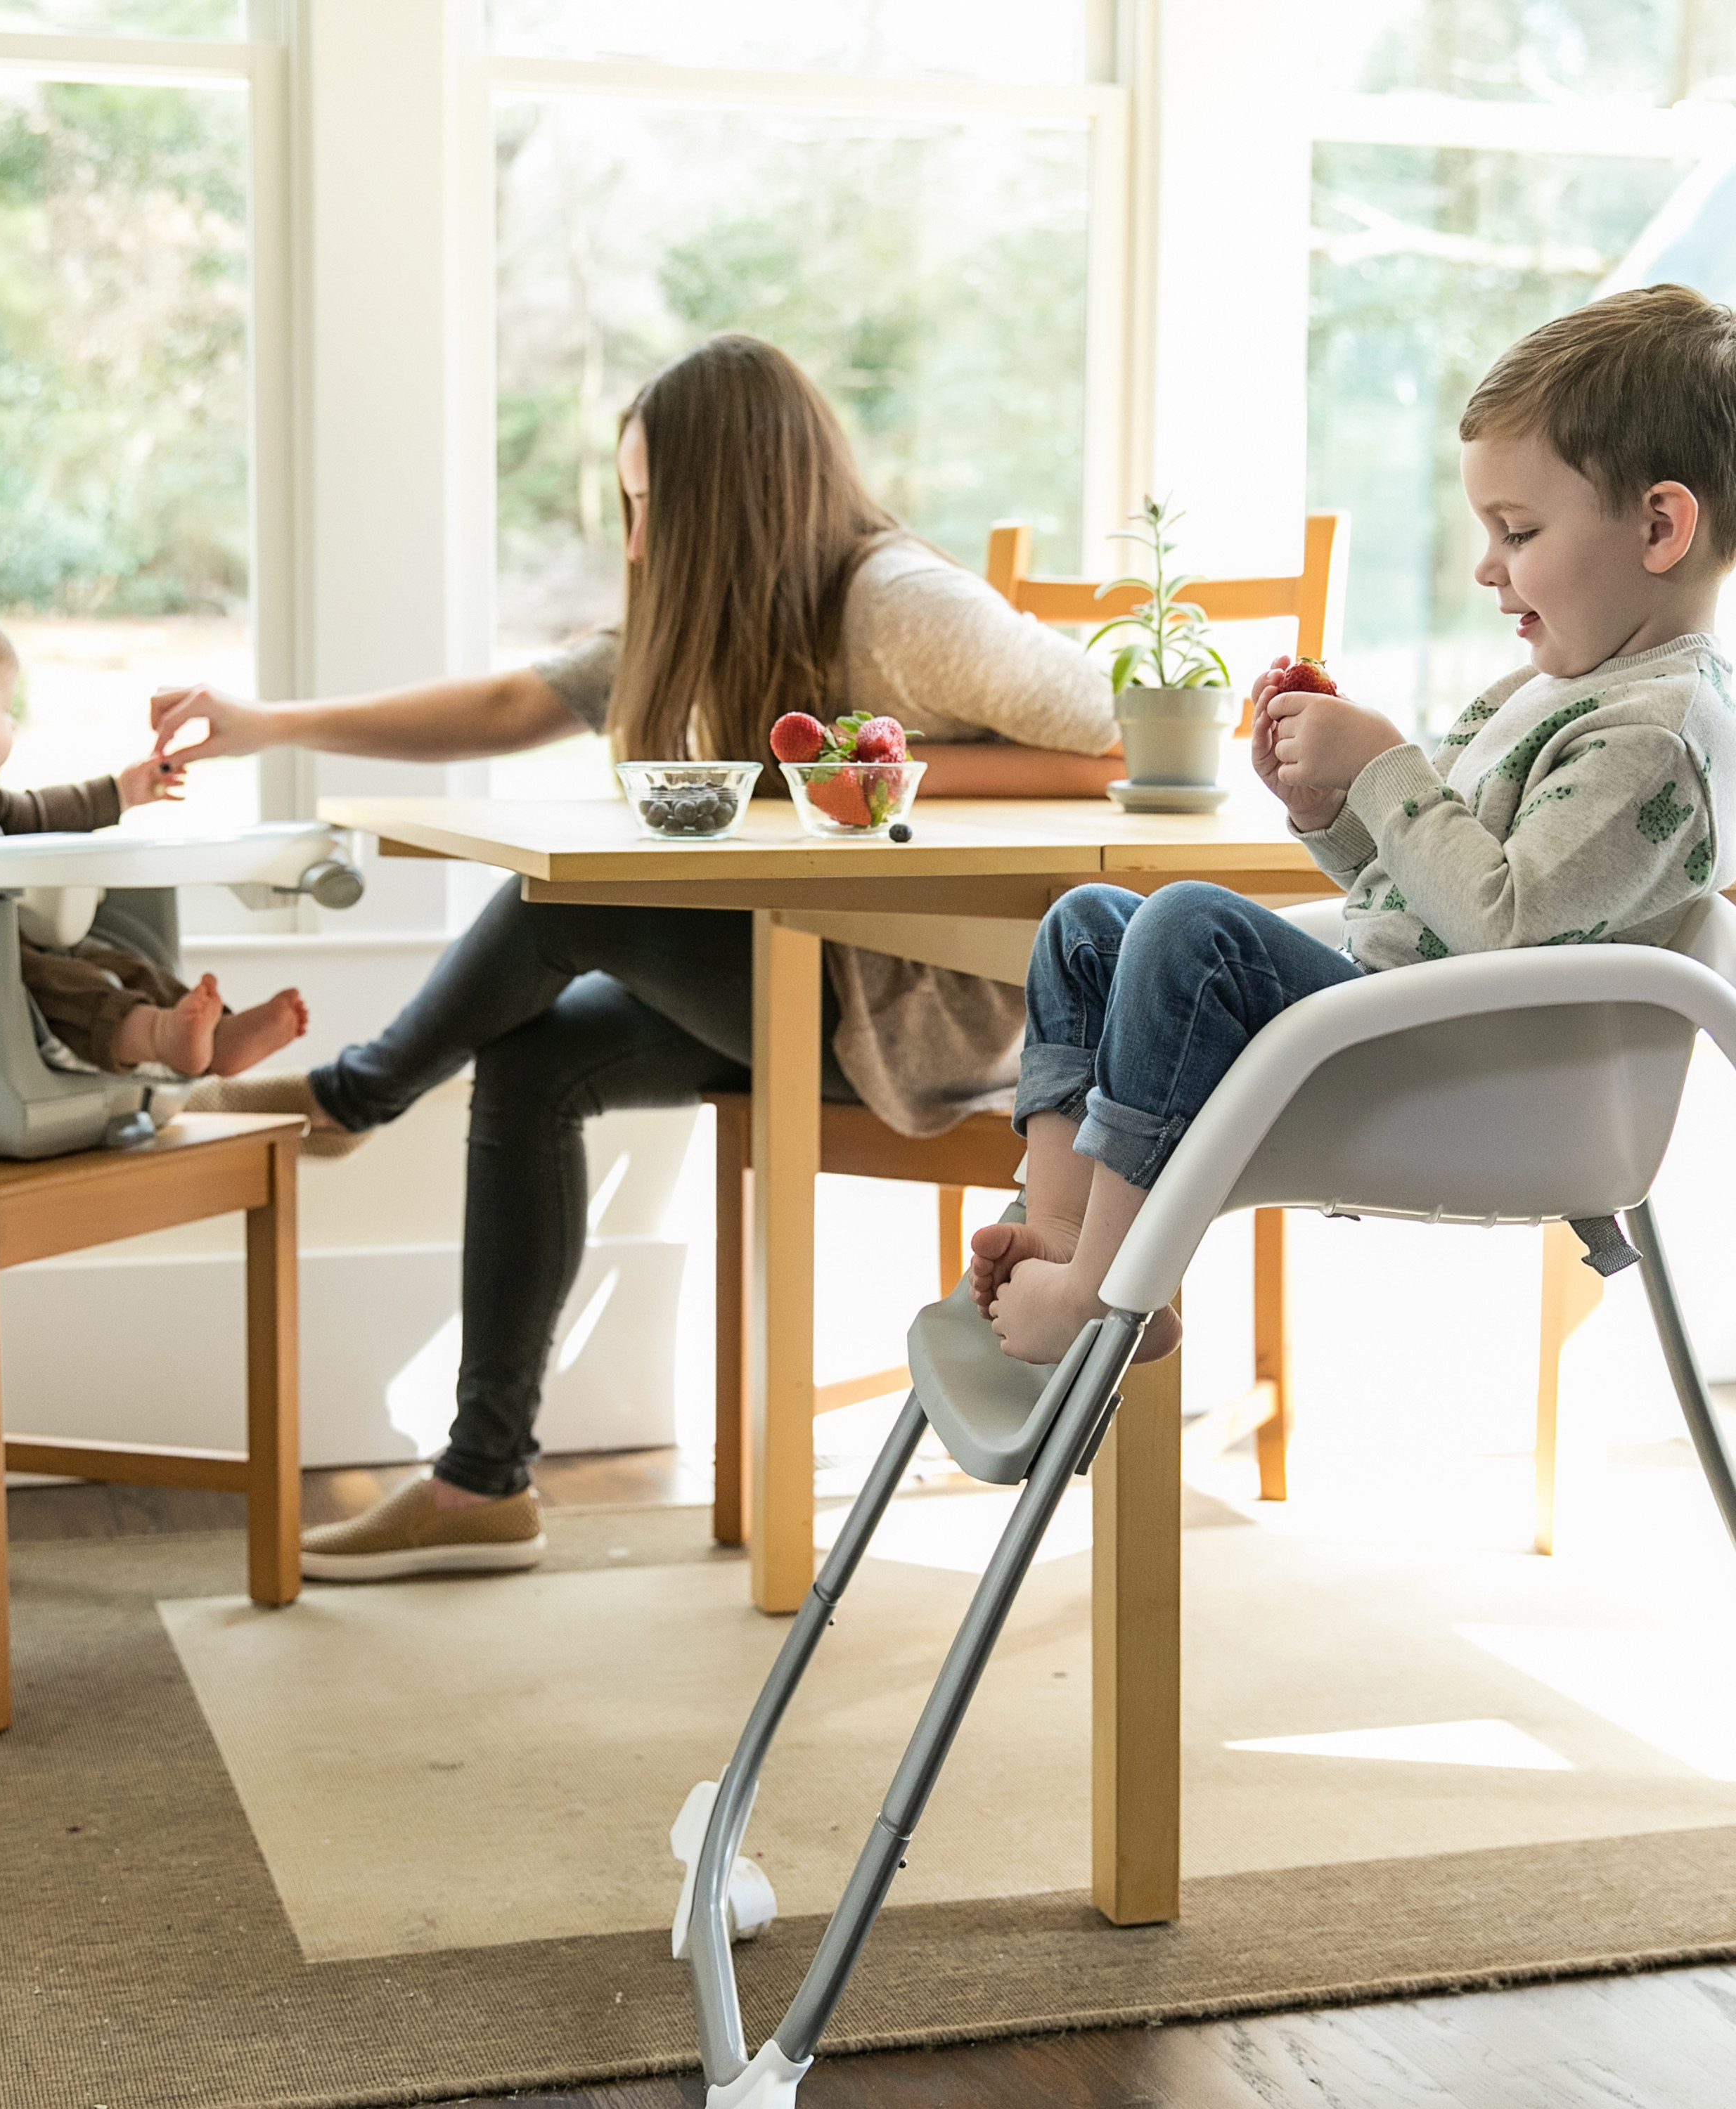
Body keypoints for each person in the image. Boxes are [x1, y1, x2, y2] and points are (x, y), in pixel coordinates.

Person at [148, 333, 1121, 1580]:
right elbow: (512, 705)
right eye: (630, 506)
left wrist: (876, 767)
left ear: (733, 496)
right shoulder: (723, 608)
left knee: (571, 899)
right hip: (811, 978)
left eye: (654, 504)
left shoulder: (898, 604)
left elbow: (1122, 740)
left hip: (927, 1016)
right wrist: (270, 725)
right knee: (534, 1059)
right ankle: (480, 1485)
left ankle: (356, 1094)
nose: (639, 539)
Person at [970, 283, 1736, 1367]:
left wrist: (1385, 768)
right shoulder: (1562, 689)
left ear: (1660, 527)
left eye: (1518, 531)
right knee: (1089, 925)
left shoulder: (1656, 736)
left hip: (1479, 1083)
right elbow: (1427, 894)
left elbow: (1506, 926)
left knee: (1187, 929)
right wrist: (1333, 811)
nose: (1486, 567)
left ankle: (1104, 1290)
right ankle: (1067, 1237)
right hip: (1407, 1028)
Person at [0, 575, 308, 1077]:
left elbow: (36, 815)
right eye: (3, 709)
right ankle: (158, 1036)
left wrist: (121, 792)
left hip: (6, 942)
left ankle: (216, 1035)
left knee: (116, 963)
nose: (11, 724)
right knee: (60, 988)